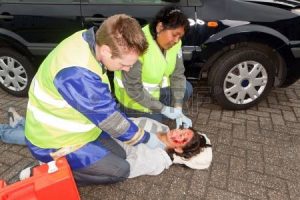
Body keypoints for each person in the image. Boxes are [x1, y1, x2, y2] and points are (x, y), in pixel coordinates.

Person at [24, 14, 154, 186]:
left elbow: (103, 106)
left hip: (78, 129)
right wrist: (148, 139)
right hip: (53, 141)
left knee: (121, 154)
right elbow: (111, 121)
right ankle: (43, 174)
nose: (128, 69)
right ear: (107, 50)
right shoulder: (78, 75)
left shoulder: (89, 40)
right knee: (120, 170)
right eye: (124, 64)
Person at [114, 6, 193, 128]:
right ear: (160, 27)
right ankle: (136, 115)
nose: (177, 40)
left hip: (156, 92)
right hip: (134, 101)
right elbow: (134, 89)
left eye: (180, 37)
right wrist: (162, 109)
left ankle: (164, 110)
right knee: (156, 127)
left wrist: (178, 106)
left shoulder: (176, 44)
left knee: (186, 88)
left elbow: (178, 75)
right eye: (174, 35)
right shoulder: (137, 45)